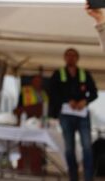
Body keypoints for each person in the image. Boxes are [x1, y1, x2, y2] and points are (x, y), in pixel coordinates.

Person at [49, 48, 99, 181]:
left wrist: (85, 101)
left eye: (73, 56)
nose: (71, 58)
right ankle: (73, 177)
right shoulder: (58, 74)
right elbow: (52, 92)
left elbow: (94, 93)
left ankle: (88, 177)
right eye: (68, 55)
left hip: (82, 115)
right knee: (69, 148)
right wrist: (66, 101)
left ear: (77, 58)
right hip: (66, 114)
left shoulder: (84, 74)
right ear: (64, 58)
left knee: (87, 146)